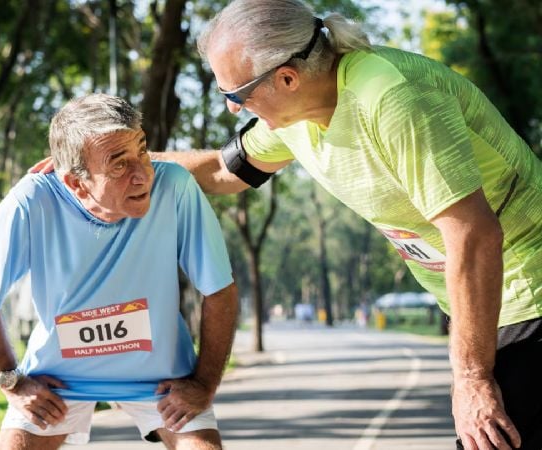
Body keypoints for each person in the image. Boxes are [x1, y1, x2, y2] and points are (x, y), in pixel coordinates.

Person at [152, 1, 542, 449]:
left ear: (286, 78)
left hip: (526, 285)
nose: (231, 108)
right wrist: (117, 164)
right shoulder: (293, 116)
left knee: (486, 436)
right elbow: (223, 171)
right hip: (489, 300)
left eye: (237, 95)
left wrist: (471, 376)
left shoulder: (391, 97)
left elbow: (473, 233)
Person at [0, 94, 238, 450]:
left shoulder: (175, 186)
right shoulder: (32, 200)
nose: (142, 175)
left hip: (162, 382)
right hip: (59, 384)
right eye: (119, 165)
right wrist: (12, 381)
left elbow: (219, 290)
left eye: (143, 151)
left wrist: (205, 384)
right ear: (76, 183)